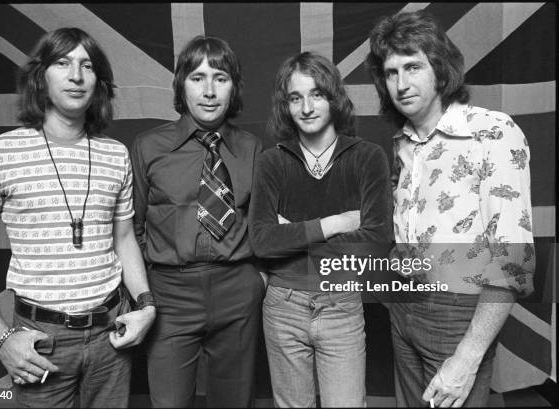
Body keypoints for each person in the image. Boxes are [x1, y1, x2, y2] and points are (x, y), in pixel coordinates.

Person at [0, 28, 156, 408]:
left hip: (111, 332)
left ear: (99, 82)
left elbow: (124, 238)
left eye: (87, 65)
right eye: (62, 63)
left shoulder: (115, 154)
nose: (76, 75)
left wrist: (145, 305)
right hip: (40, 337)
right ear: (40, 77)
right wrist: (0, 338)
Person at [366, 10, 535, 407]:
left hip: (458, 311)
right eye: (391, 72)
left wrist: (468, 355)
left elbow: (512, 259)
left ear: (440, 69)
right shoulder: (403, 144)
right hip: (404, 305)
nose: (402, 84)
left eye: (413, 67)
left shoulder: (492, 131)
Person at [249, 51, 393, 407]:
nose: (307, 107)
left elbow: (376, 244)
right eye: (296, 98)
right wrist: (338, 223)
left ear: (333, 98)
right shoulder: (272, 161)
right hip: (283, 305)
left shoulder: (367, 156)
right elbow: (262, 243)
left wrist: (293, 234)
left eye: (316, 94)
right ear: (286, 105)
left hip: (341, 302)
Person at [131, 35, 264, 408]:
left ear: (233, 86)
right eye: (197, 77)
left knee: (234, 401)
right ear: (181, 85)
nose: (209, 91)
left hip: (237, 288)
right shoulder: (148, 147)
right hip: (171, 293)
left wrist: (257, 279)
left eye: (220, 78)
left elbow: (261, 224)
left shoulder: (251, 148)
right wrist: (154, 283)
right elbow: (133, 228)